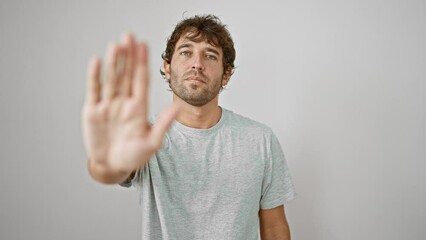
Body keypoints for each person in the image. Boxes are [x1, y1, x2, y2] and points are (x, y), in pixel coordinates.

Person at [82, 14, 296, 240]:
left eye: (210, 55)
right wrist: (106, 160)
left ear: (226, 75)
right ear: (167, 66)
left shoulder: (260, 139)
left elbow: (274, 227)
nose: (197, 64)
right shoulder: (144, 137)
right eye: (186, 52)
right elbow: (109, 171)